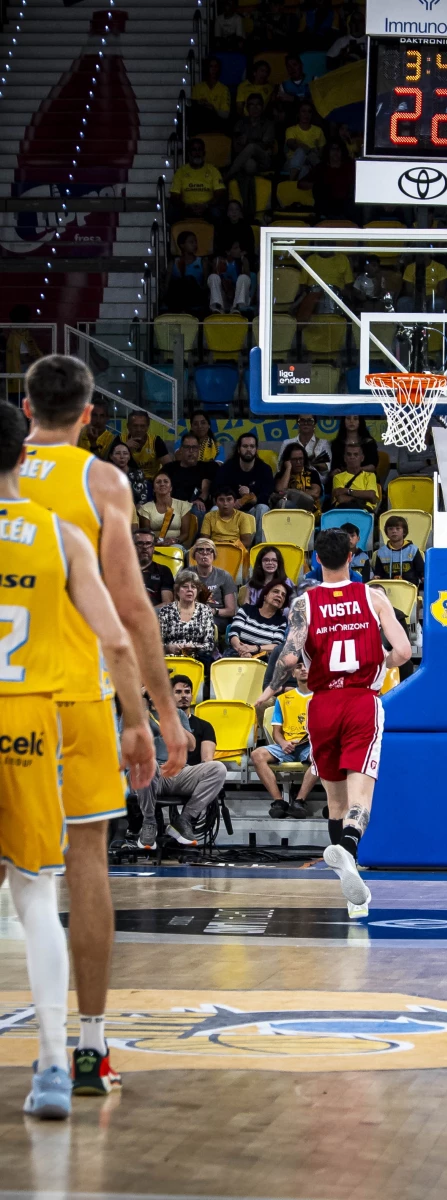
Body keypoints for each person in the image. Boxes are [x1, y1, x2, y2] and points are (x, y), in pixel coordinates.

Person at [20, 356, 185, 1096]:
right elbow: (131, 613)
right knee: (87, 862)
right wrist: (159, 714)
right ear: (90, 414)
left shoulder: (6, 479)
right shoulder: (100, 484)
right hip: (77, 698)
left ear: (26, 409)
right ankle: (90, 1049)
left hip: (5, 697)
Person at [0, 402, 154, 1119]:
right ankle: (61, 1064)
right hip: (36, 715)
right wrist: (139, 719)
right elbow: (121, 635)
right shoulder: (61, 532)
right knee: (39, 892)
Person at [256, 528, 411, 916]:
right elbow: (404, 651)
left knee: (335, 802)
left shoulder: (304, 604)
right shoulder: (373, 597)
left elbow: (289, 659)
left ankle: (350, 894)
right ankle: (348, 850)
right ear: (352, 556)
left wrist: (270, 693)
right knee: (361, 802)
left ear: (317, 560)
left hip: (321, 706)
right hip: (361, 701)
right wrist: (381, 663)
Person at [134, 692, 227, 850]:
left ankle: (184, 820)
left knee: (218, 768)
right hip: (151, 773)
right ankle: (149, 821)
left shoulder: (177, 713)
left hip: (179, 772)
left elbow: (191, 746)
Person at [251, 661, 317, 818]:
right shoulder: (283, 699)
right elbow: (276, 732)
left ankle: (300, 801)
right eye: (298, 667)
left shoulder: (321, 697)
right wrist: (283, 743)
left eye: (306, 665)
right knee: (256, 755)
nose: (303, 669)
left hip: (310, 745)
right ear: (293, 673)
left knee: (321, 756)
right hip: (286, 746)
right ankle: (279, 801)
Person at [216, 432, 275, 534]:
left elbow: (267, 494)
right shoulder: (227, 468)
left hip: (253, 511)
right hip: (231, 509)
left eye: (252, 446)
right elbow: (217, 490)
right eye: (245, 446)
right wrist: (231, 501)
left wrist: (250, 497)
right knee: (214, 509)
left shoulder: (264, 469)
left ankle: (260, 546)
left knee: (263, 508)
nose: (248, 449)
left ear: (256, 450)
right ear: (239, 449)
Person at [158, 569, 217, 670]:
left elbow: (210, 645)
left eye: (193, 587)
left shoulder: (205, 611)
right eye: (185, 586)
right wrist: (169, 647)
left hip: (197, 660)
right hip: (170, 660)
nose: (189, 590)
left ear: (197, 591)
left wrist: (194, 647)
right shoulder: (166, 611)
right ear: (177, 590)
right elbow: (157, 643)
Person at [169, 138, 226, 221]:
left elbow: (220, 193)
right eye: (194, 150)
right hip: (187, 207)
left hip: (208, 207)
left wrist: (206, 205)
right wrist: (187, 206)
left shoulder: (213, 170)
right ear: (189, 153)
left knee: (217, 213)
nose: (197, 153)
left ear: (204, 153)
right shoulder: (180, 171)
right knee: (173, 212)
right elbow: (174, 195)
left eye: (200, 150)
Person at [228, 581, 289, 658]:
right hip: (236, 652)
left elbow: (276, 646)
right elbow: (233, 634)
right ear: (265, 596)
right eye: (275, 591)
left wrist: (256, 648)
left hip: (262, 656)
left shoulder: (281, 621)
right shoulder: (246, 609)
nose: (280, 596)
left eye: (283, 595)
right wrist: (242, 650)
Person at [163, 432, 217, 513]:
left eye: (194, 447)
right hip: (173, 506)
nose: (191, 451)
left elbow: (205, 489)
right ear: (181, 449)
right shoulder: (169, 468)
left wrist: (200, 499)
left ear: (199, 449)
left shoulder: (207, 467)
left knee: (198, 510)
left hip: (195, 506)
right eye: (187, 447)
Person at [137, 471, 193, 548]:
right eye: (158, 482)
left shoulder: (183, 505)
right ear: (153, 489)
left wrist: (174, 541)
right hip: (154, 545)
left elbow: (185, 534)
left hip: (177, 545)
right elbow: (147, 534)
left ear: (171, 488)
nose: (162, 484)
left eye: (166, 482)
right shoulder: (145, 508)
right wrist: (157, 541)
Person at [171, 674, 217, 764]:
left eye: (187, 692)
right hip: (165, 771)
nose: (184, 696)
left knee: (217, 767)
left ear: (192, 697)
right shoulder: (159, 722)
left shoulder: (204, 726)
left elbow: (207, 759)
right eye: (178, 692)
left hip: (192, 773)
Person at [192, 537, 237, 624]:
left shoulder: (224, 576)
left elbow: (231, 610)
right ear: (194, 555)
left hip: (216, 618)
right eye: (200, 550)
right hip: (191, 615)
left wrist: (213, 611)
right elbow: (178, 604)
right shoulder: (186, 575)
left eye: (209, 550)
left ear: (214, 555)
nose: (205, 553)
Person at [374, 514, 425, 588]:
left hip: (410, 591)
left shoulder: (413, 550)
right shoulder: (381, 552)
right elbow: (378, 574)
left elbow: (422, 573)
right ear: (386, 532)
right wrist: (376, 577)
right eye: (390, 529)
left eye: (398, 529)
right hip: (387, 590)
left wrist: (424, 578)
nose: (394, 531)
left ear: (404, 532)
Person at [201, 485, 256, 550]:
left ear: (234, 502)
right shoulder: (208, 516)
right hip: (215, 549)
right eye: (221, 500)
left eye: (229, 499)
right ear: (216, 502)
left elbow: (247, 542)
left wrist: (228, 545)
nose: (225, 503)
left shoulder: (242, 516)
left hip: (236, 549)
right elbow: (204, 540)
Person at [272, 443, 322, 514]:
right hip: (286, 510)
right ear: (288, 461)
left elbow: (316, 493)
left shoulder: (312, 473)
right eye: (294, 459)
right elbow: (280, 489)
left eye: (301, 459)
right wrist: (288, 468)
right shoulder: (281, 475)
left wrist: (292, 494)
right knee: (284, 503)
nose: (298, 462)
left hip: (308, 511)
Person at [278, 414, 333, 479]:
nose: (306, 423)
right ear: (298, 423)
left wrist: (312, 462)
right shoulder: (287, 443)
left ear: (314, 424)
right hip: (291, 482)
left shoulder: (323, 443)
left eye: (310, 421)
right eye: (302, 420)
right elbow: (279, 466)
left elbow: (327, 469)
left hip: (315, 483)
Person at [331, 443, 379, 512]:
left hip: (364, 512)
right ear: (345, 458)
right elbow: (341, 499)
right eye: (349, 454)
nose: (352, 457)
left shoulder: (370, 475)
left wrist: (347, 491)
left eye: (356, 454)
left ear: (362, 458)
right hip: (343, 511)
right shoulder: (337, 477)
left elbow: (371, 495)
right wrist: (362, 498)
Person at [134, 529, 175, 609]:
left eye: (148, 543)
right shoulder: (121, 570)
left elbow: (167, 603)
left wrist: (147, 613)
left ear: (153, 548)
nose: (144, 547)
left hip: (154, 615)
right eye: (140, 543)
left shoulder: (163, 570)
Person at [125, 410, 170, 482]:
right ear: (128, 426)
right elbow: (111, 465)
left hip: (152, 483)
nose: (139, 430)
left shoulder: (156, 441)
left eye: (142, 426)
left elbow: (169, 466)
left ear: (147, 427)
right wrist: (124, 447)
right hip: (127, 482)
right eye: (135, 426)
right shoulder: (120, 440)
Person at [190, 56, 231, 134]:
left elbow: (225, 114)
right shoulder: (197, 88)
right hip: (200, 122)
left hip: (217, 122)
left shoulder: (224, 89)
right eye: (211, 66)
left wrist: (213, 109)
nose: (213, 69)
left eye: (216, 66)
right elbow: (193, 109)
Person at [109, 441, 147, 509]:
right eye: (118, 453)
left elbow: (143, 499)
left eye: (125, 453)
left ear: (129, 456)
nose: (122, 457)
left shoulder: (138, 474)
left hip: (134, 512)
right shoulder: (105, 474)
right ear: (111, 456)